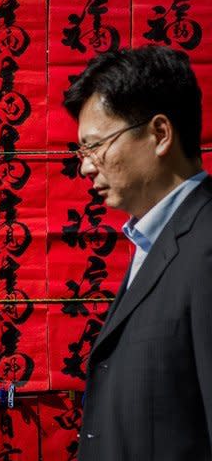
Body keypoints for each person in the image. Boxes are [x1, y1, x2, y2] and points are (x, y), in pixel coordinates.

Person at [63, 45, 212, 460]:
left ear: (159, 134)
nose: (86, 167)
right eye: (81, 151)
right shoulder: (156, 239)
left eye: (95, 146)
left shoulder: (206, 248)